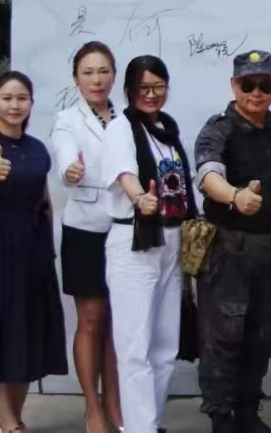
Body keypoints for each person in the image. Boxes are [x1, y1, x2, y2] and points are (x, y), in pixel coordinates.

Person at [0, 71, 68, 433]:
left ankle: (13, 419)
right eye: (6, 98)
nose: (14, 105)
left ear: (31, 103)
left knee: (25, 335)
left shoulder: (37, 148)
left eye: (22, 98)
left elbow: (44, 200)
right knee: (0, 334)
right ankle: (9, 425)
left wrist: (49, 249)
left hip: (33, 250)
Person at [194, 50, 271, 433]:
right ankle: (222, 420)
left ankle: (249, 415)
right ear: (234, 85)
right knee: (224, 338)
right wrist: (235, 196)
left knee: (261, 337)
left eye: (264, 84)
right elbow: (208, 175)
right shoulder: (219, 129)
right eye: (248, 84)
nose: (256, 93)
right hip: (229, 251)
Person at [102, 55, 198, 433]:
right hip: (135, 240)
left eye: (159, 86)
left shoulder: (169, 131)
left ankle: (150, 423)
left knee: (165, 347)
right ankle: (139, 428)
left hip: (171, 239)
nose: (152, 94)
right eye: (144, 87)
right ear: (129, 90)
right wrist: (140, 197)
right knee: (135, 348)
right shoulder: (120, 128)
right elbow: (125, 173)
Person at [50, 41, 123, 433]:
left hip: (125, 229)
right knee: (91, 319)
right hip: (85, 230)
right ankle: (92, 408)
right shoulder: (67, 119)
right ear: (76, 78)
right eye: (88, 72)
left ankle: (115, 404)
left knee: (117, 321)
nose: (97, 80)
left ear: (114, 75)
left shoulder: (126, 116)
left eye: (103, 71)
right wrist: (70, 171)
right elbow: (64, 155)